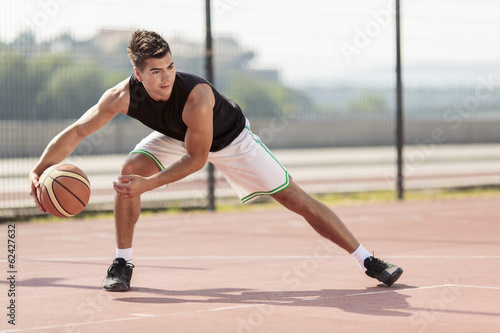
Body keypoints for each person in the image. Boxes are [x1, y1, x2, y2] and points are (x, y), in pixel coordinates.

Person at [29, 30, 403, 292]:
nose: (165, 77)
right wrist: (40, 168)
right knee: (129, 174)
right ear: (138, 74)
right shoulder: (121, 96)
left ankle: (368, 259)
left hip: (230, 140)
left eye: (170, 67)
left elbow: (197, 159)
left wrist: (151, 186)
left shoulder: (197, 96)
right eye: (156, 71)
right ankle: (122, 263)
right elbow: (78, 131)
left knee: (295, 198)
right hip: (177, 137)